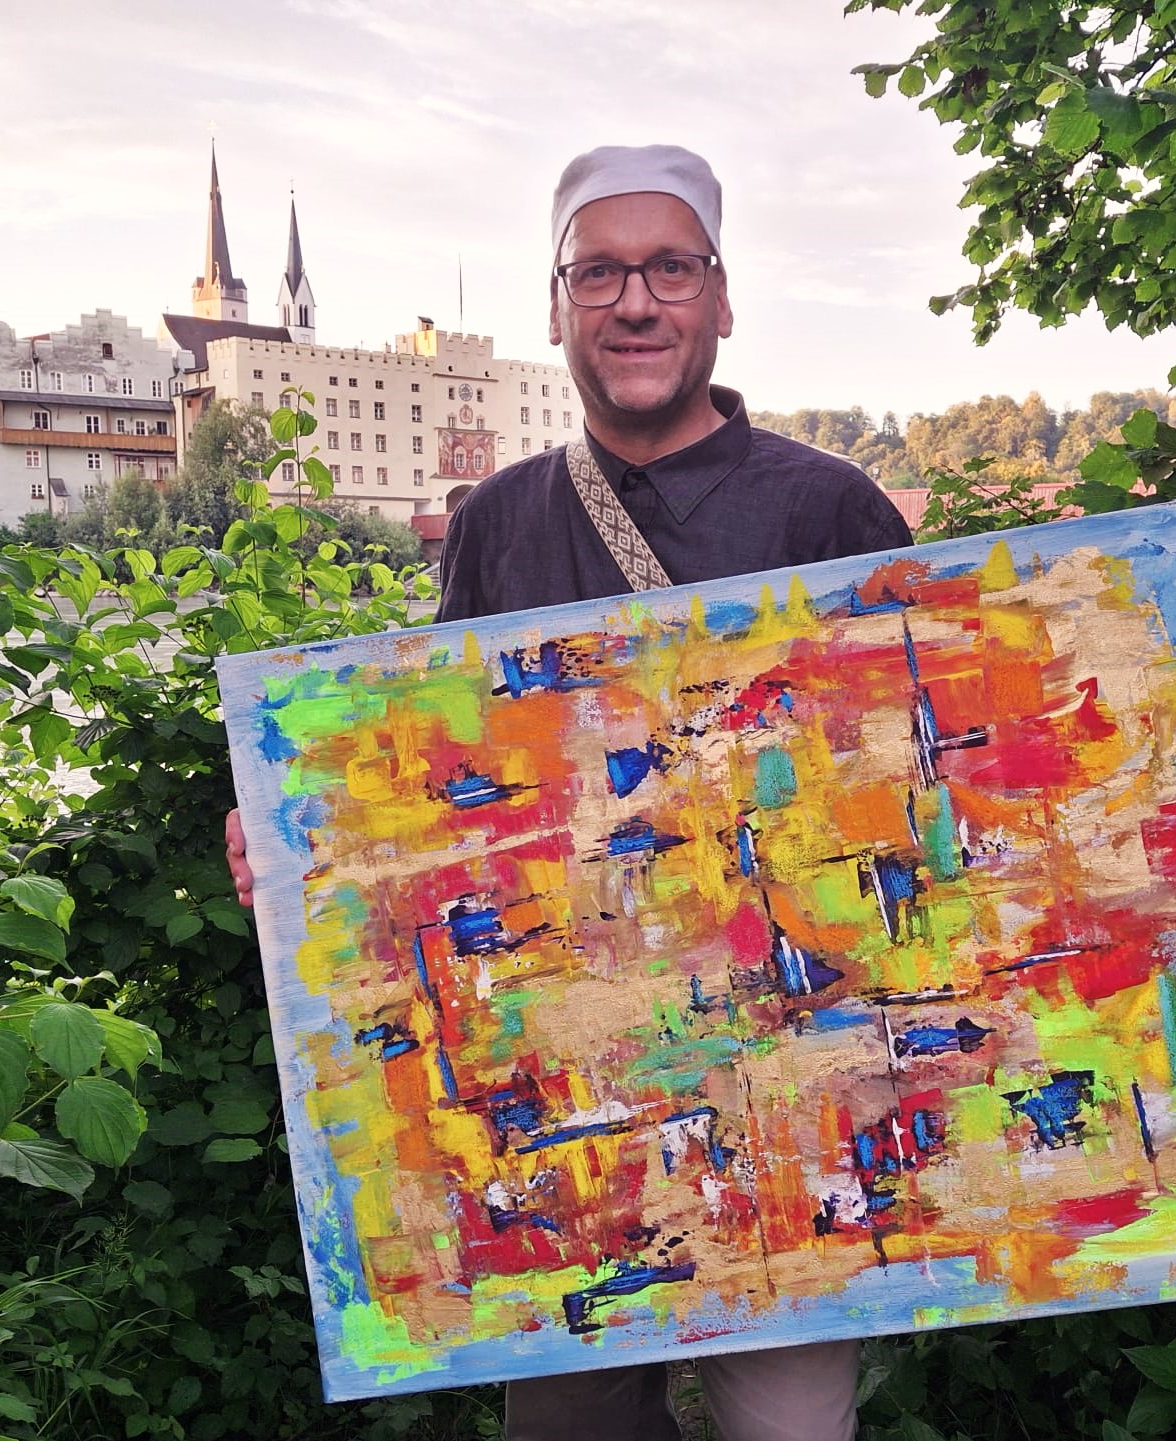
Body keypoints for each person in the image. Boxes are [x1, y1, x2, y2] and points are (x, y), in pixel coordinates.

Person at [227, 144, 913, 1441]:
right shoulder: (500, 519)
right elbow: (441, 795)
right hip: (563, 1077)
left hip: (790, 1062)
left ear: (720, 297)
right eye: (599, 273)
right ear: (557, 308)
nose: (635, 302)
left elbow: (909, 803)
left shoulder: (831, 510)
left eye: (669, 269)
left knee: (786, 1430)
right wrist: (299, 830)